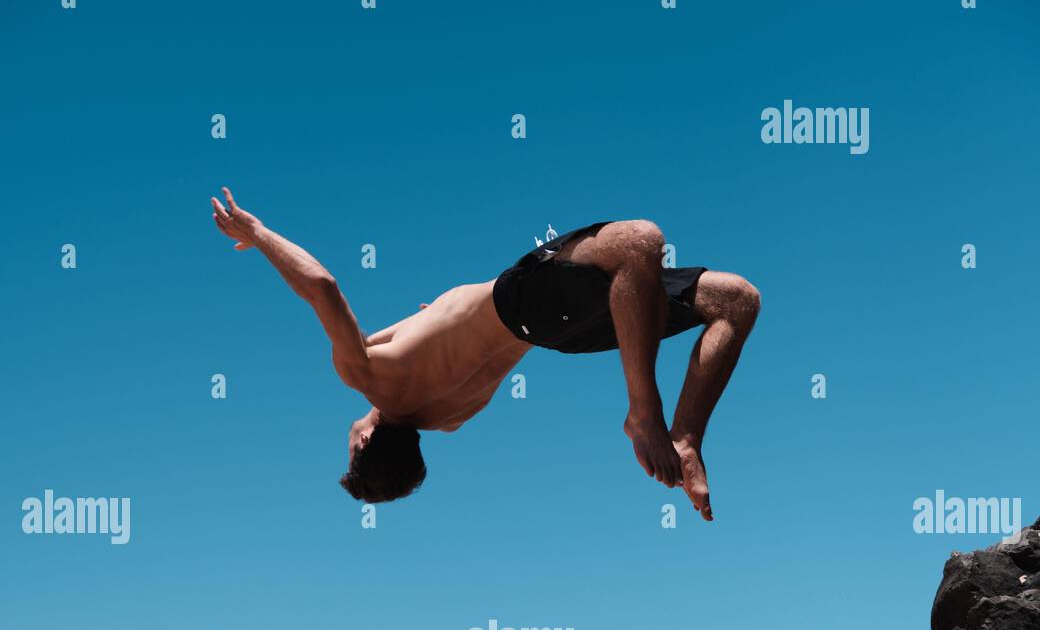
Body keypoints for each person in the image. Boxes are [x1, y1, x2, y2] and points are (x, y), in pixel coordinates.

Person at [211, 189, 760, 519]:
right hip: (527, 300)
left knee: (735, 301)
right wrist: (259, 234)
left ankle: (686, 440)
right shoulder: (363, 375)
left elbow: (439, 338)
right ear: (366, 440)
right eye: (350, 447)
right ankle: (647, 414)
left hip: (558, 332)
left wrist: (430, 316)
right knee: (641, 238)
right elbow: (324, 288)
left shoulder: (450, 418)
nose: (348, 436)